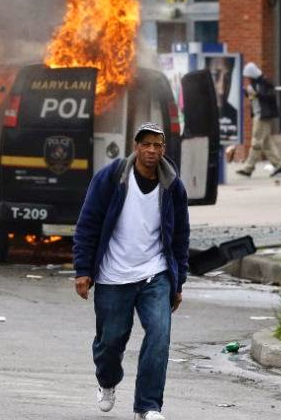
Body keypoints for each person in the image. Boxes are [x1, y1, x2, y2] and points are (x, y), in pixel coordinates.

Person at [73, 122, 190, 420]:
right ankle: (107, 380)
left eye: (157, 145)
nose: (151, 150)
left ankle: (147, 406)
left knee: (159, 335)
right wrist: (83, 270)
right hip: (113, 274)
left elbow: (180, 236)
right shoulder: (111, 178)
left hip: (155, 273)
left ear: (163, 149)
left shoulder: (173, 185)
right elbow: (88, 224)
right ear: (136, 147)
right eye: (146, 144)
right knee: (110, 342)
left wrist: (178, 282)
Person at [236, 62, 281, 178]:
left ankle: (248, 168)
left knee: (256, 142)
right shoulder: (257, 84)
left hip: (262, 116)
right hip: (260, 115)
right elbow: (254, 98)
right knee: (267, 143)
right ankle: (278, 164)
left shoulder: (263, 83)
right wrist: (248, 93)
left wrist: (256, 94)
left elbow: (267, 96)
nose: (247, 79)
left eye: (248, 76)